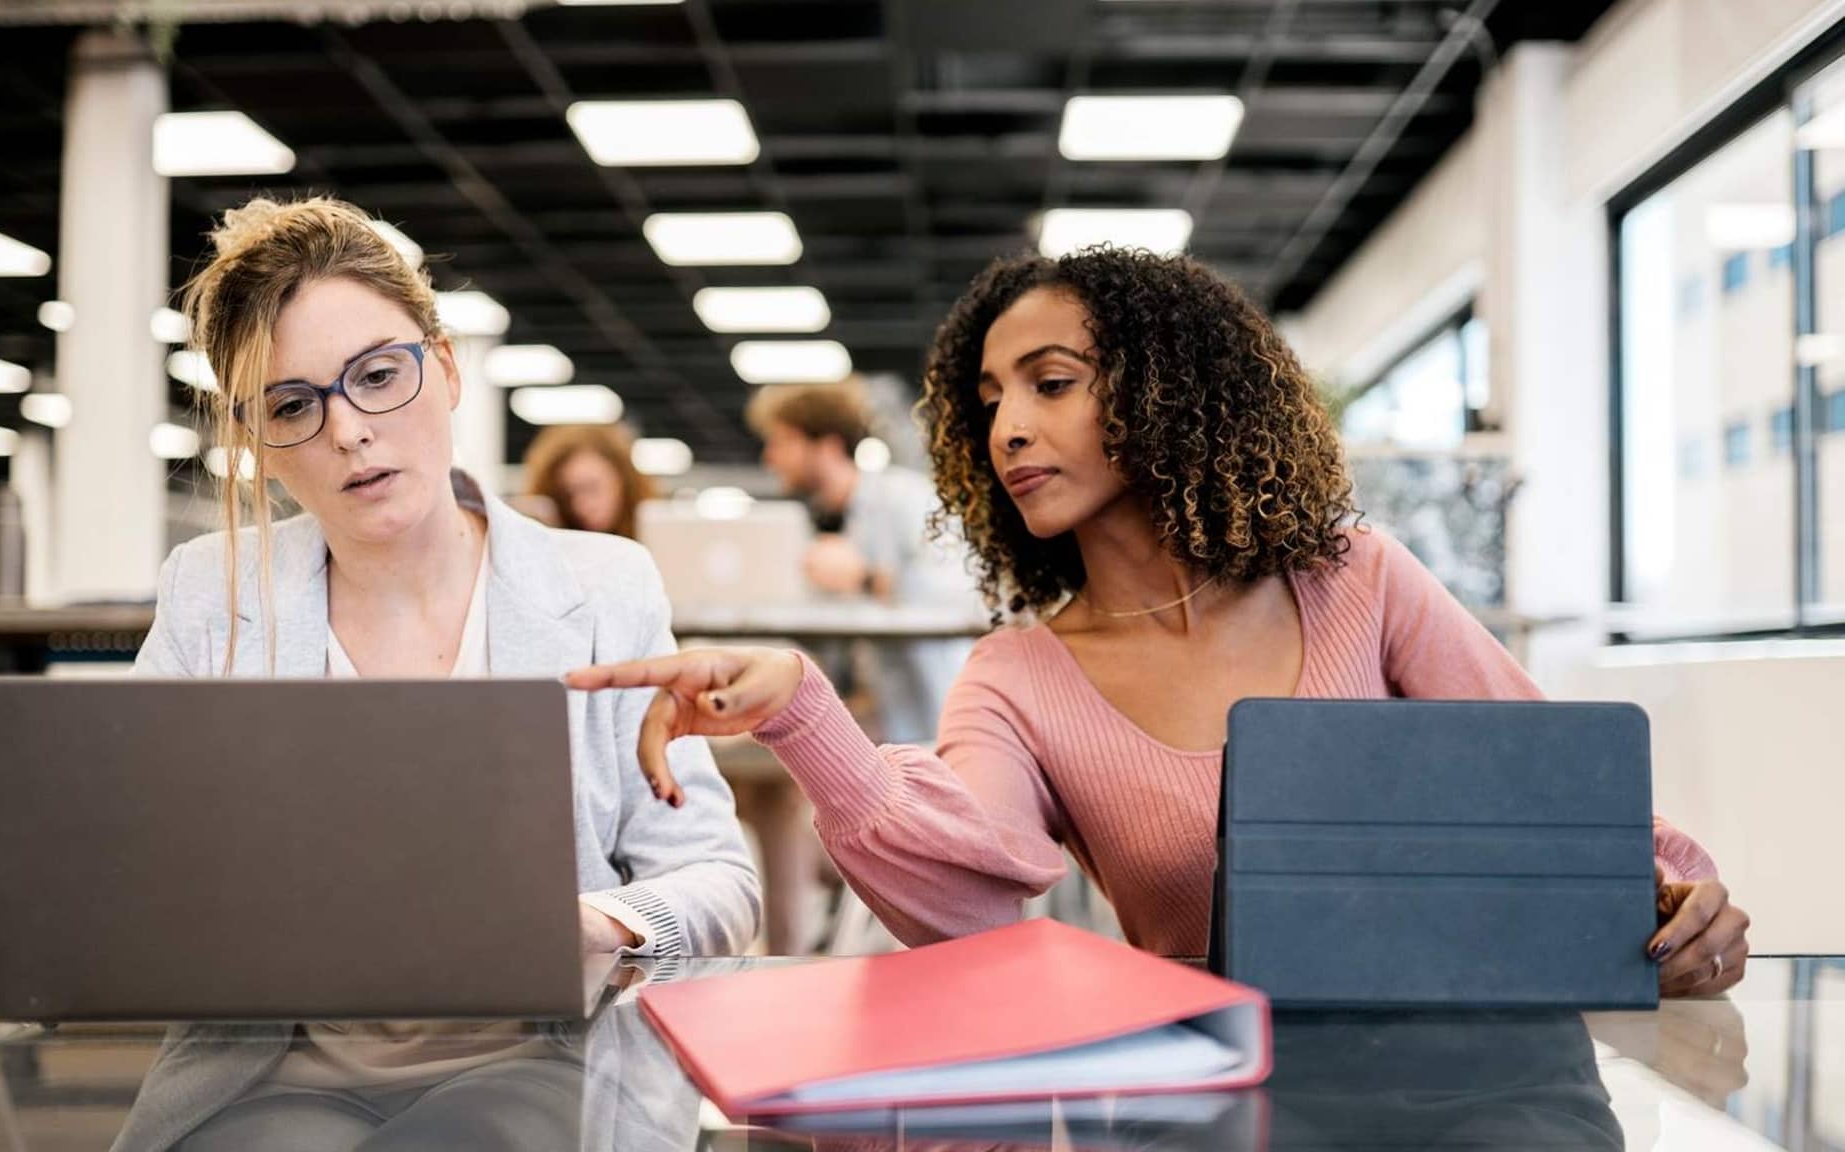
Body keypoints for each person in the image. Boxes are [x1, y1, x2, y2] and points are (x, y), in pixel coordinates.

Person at [572, 247, 1749, 999]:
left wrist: (1672, 905)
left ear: (1164, 387)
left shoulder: (1355, 580)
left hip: (1471, 1081)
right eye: (988, 403)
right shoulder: (1018, 675)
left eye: (1050, 381)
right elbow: (964, 893)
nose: (1008, 430)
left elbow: (1557, 798)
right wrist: (798, 711)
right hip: (1208, 1106)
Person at [121, 196, 758, 1137]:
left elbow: (718, 879)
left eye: (377, 375)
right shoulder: (207, 596)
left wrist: (598, 925)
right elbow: (131, 869)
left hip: (544, 1057)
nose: (348, 431)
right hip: (275, 1071)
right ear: (257, 440)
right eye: (293, 405)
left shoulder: (602, 587)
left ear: (446, 368)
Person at [746, 382, 975, 745]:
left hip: (945, 715)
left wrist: (866, 579)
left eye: (782, 442)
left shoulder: (906, 497)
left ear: (827, 446)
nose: (770, 458)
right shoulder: (835, 521)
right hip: (898, 726)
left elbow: (962, 594)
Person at [521, 423, 656, 539]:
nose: (581, 506)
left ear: (624, 480)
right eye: (567, 496)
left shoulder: (657, 536)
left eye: (592, 488)